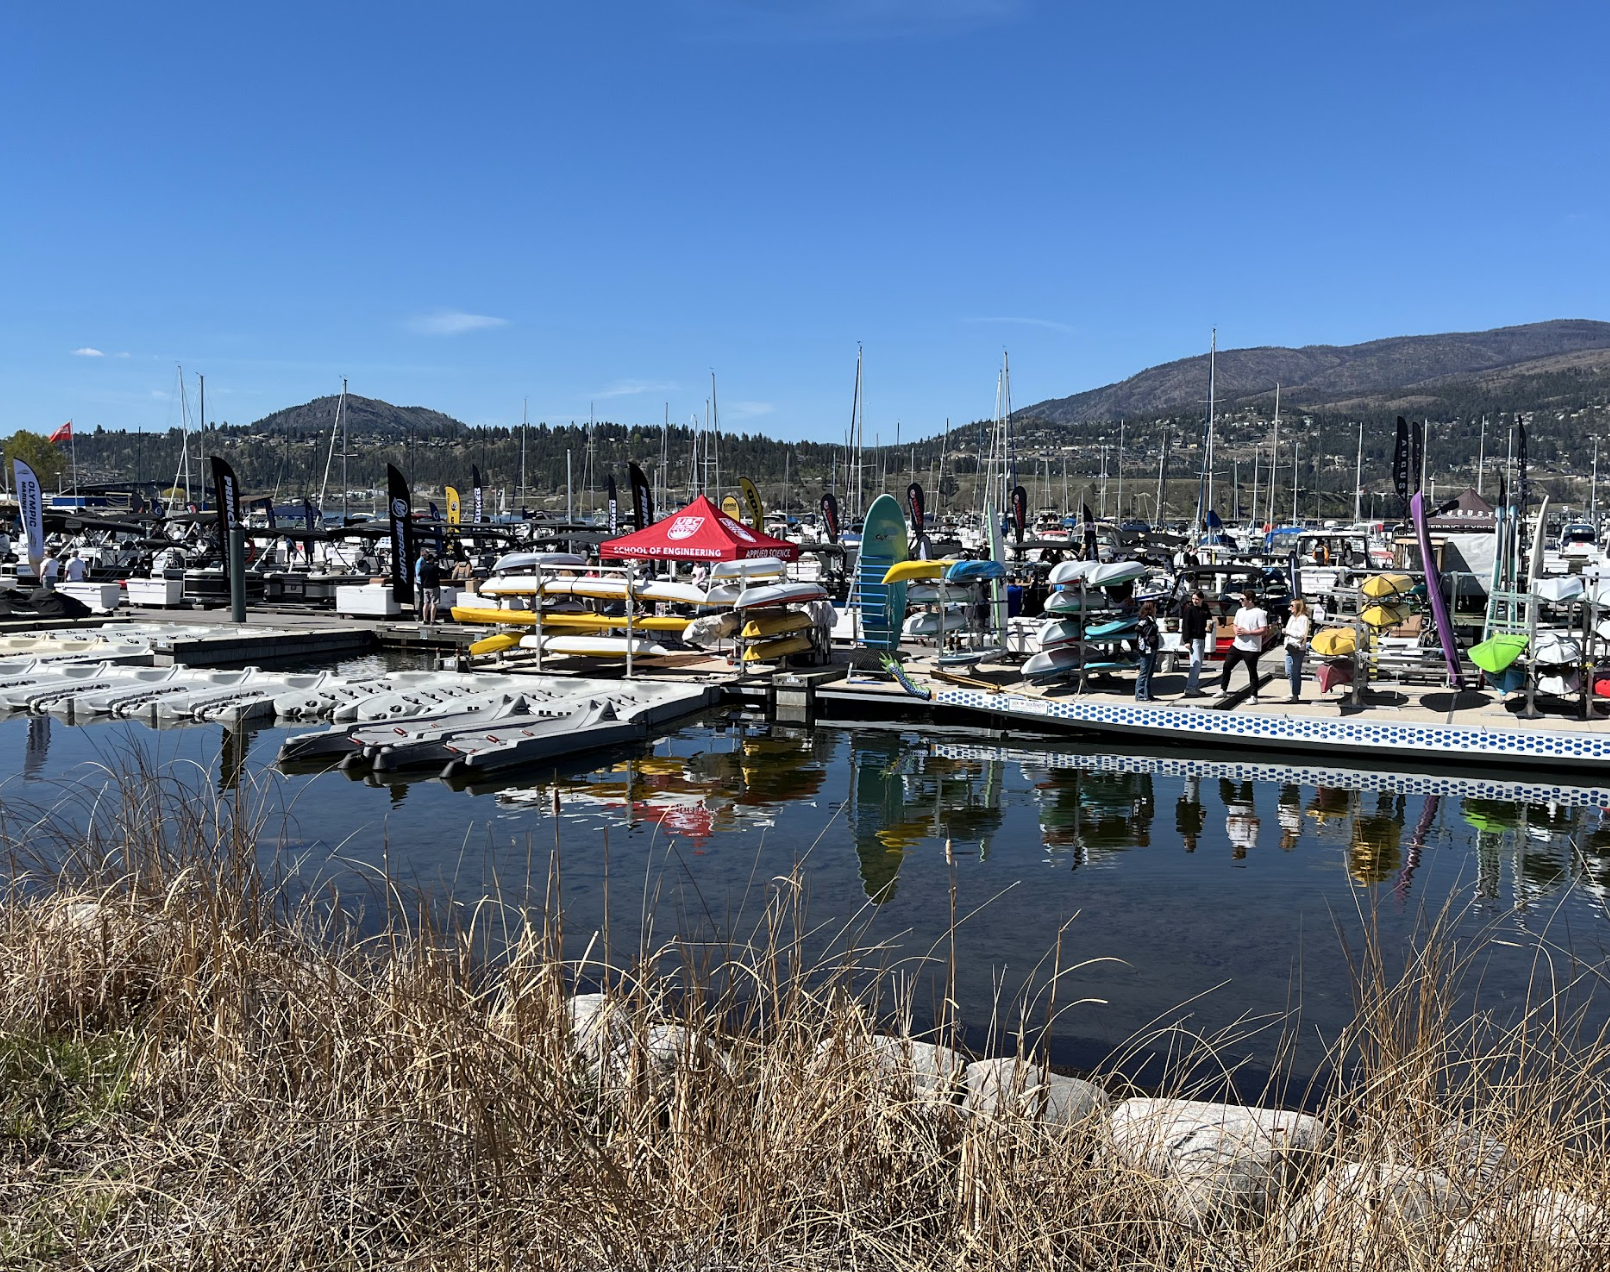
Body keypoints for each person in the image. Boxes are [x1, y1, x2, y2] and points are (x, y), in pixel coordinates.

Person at [1220, 590, 1268, 702]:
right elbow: (1235, 625)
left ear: (1250, 600)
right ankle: (1223, 689)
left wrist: (1248, 632)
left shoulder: (1260, 613)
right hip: (1237, 645)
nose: (1240, 601)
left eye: (1242, 599)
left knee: (1252, 671)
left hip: (1251, 647)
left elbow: (1264, 630)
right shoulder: (1240, 611)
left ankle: (1253, 696)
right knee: (1227, 666)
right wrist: (1236, 630)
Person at [1180, 589, 1212, 697]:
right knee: (1195, 663)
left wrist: (1209, 626)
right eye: (1193, 599)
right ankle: (1190, 687)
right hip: (1193, 639)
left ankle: (1195, 686)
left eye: (1197, 599)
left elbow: (1209, 620)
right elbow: (1185, 625)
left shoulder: (1204, 609)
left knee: (1198, 664)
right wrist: (1186, 640)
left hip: (1201, 637)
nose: (1194, 601)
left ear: (1202, 599)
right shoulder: (1190, 610)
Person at [1283, 596, 1312, 703]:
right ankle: (1292, 691)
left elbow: (1301, 634)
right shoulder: (1292, 617)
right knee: (1288, 671)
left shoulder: (1303, 619)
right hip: (1289, 646)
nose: (1290, 608)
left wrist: (1288, 631)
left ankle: (1295, 694)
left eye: (1292, 606)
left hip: (1298, 648)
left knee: (1295, 672)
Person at [1134, 600, 1159, 701]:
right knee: (1144, 672)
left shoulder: (1152, 619)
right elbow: (1138, 628)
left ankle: (1147, 693)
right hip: (1146, 648)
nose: (1156, 610)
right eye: (1155, 607)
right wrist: (1146, 637)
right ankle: (1139, 695)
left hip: (1153, 648)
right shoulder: (1145, 619)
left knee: (1150, 672)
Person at [415, 549, 442, 623]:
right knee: (430, 602)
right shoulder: (420, 561)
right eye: (426, 554)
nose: (426, 556)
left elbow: (420, 573)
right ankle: (427, 618)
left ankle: (425, 619)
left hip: (425, 585)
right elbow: (418, 574)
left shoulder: (424, 564)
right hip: (424, 584)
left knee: (426, 602)